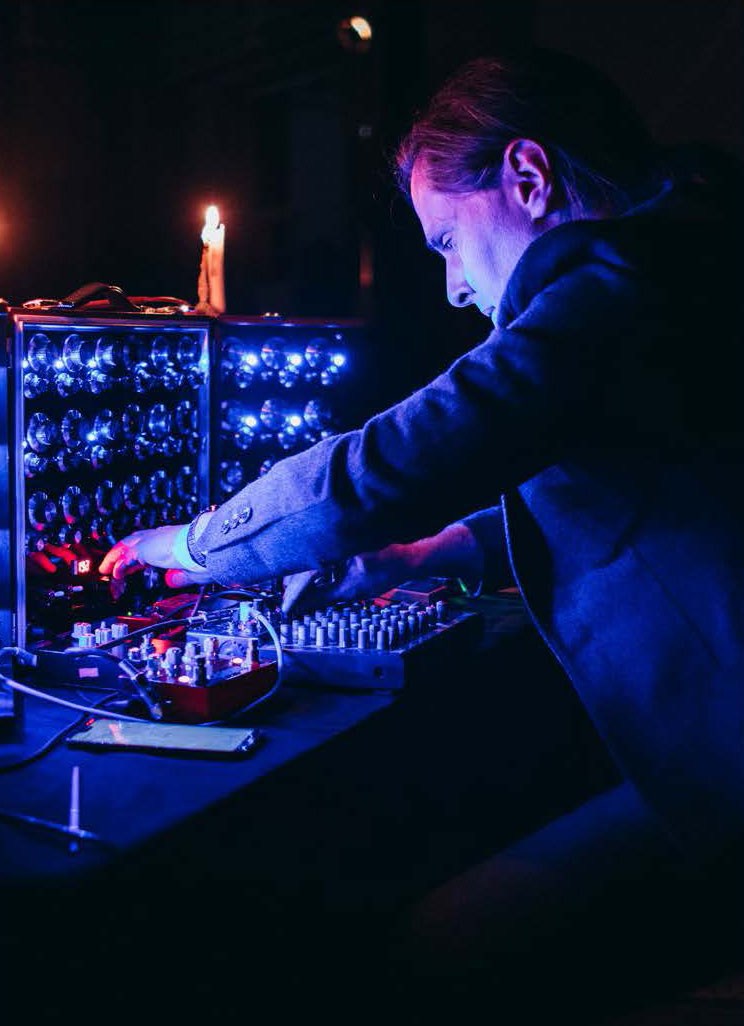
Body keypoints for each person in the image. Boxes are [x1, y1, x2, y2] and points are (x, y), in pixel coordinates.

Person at [100, 49, 744, 1021]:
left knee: (430, 956)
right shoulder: (693, 252)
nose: (450, 286)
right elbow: (631, 489)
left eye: (445, 239)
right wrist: (426, 554)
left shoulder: (617, 284)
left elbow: (387, 467)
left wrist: (188, 545)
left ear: (527, 177)